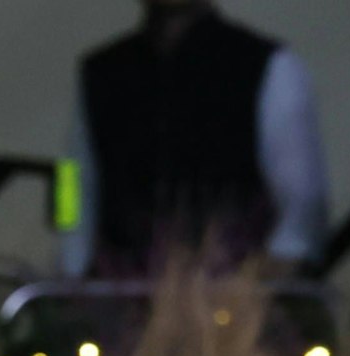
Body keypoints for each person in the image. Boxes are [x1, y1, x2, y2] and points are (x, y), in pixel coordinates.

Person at [63, 0, 329, 278]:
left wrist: (270, 275)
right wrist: (70, 266)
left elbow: (304, 199)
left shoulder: (269, 66)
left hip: (234, 299)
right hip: (121, 296)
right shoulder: (101, 71)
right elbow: (71, 177)